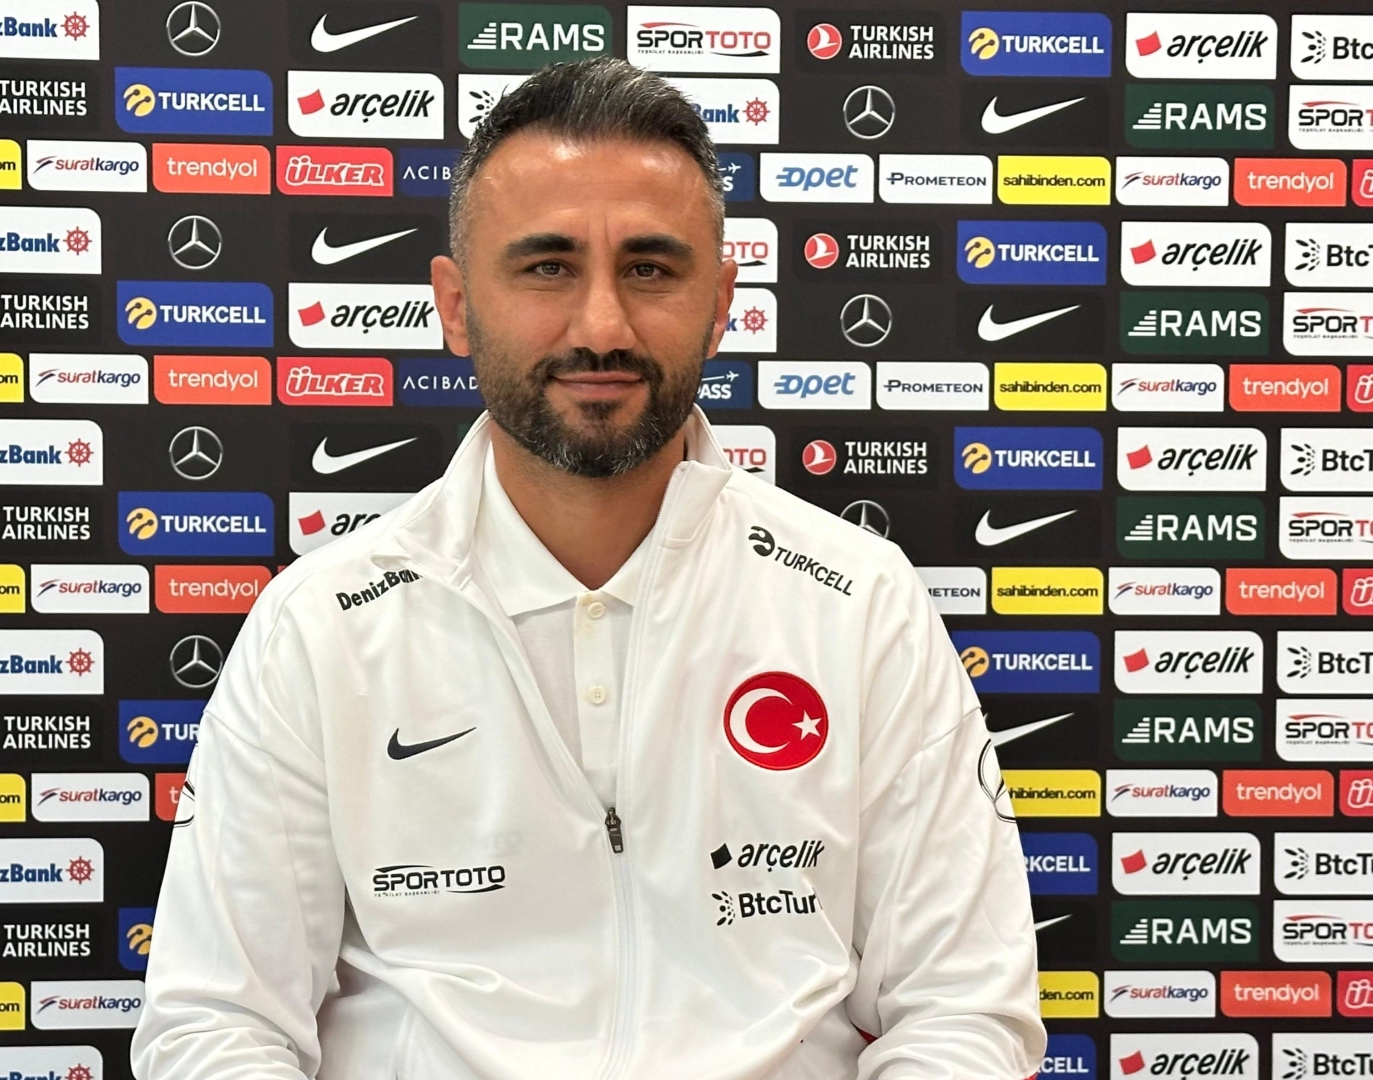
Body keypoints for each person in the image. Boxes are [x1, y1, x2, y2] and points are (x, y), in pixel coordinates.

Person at [132, 58, 1045, 1080]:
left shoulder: (857, 601)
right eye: (546, 267)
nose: (602, 326)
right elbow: (216, 1026)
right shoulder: (320, 626)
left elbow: (963, 1010)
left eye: (650, 269)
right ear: (456, 305)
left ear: (719, 303)